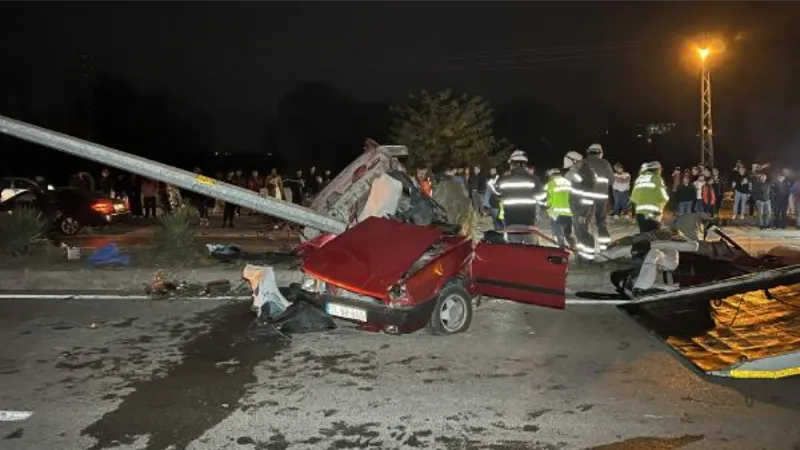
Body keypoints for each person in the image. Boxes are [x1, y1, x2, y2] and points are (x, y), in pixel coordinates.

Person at [496, 150, 539, 244]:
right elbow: (541, 196)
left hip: (511, 221)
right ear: (525, 164)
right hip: (529, 222)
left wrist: (503, 176)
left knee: (515, 252)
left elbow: (497, 191)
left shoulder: (504, 179)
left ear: (512, 163)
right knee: (530, 251)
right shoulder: (533, 179)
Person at [562, 151, 595, 260]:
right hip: (577, 209)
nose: (570, 169)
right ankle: (582, 257)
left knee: (583, 234)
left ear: (576, 162)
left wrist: (583, 213)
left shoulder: (587, 174)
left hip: (582, 210)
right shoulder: (581, 173)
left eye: (571, 166)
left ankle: (588, 258)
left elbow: (587, 197)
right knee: (579, 234)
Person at [583, 143, 614, 250]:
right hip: (601, 197)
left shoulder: (583, 163)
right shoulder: (605, 163)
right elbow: (611, 180)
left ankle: (586, 246)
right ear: (600, 152)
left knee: (585, 221)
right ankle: (604, 247)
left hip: (586, 197)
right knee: (601, 221)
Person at [432, 167, 475, 237]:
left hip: (443, 220)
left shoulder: (439, 185)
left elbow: (435, 201)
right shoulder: (458, 184)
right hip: (455, 220)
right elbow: (466, 203)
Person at [537, 168, 575, 248]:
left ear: (551, 175)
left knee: (559, 235)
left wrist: (545, 205)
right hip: (569, 213)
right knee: (568, 234)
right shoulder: (569, 183)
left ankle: (562, 251)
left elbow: (540, 198)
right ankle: (574, 249)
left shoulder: (550, 184)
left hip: (556, 214)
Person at [630, 161, 670, 233]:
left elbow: (633, 198)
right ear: (656, 169)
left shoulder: (638, 179)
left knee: (643, 237)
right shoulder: (656, 178)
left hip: (639, 214)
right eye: (660, 169)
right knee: (653, 239)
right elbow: (664, 197)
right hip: (652, 215)